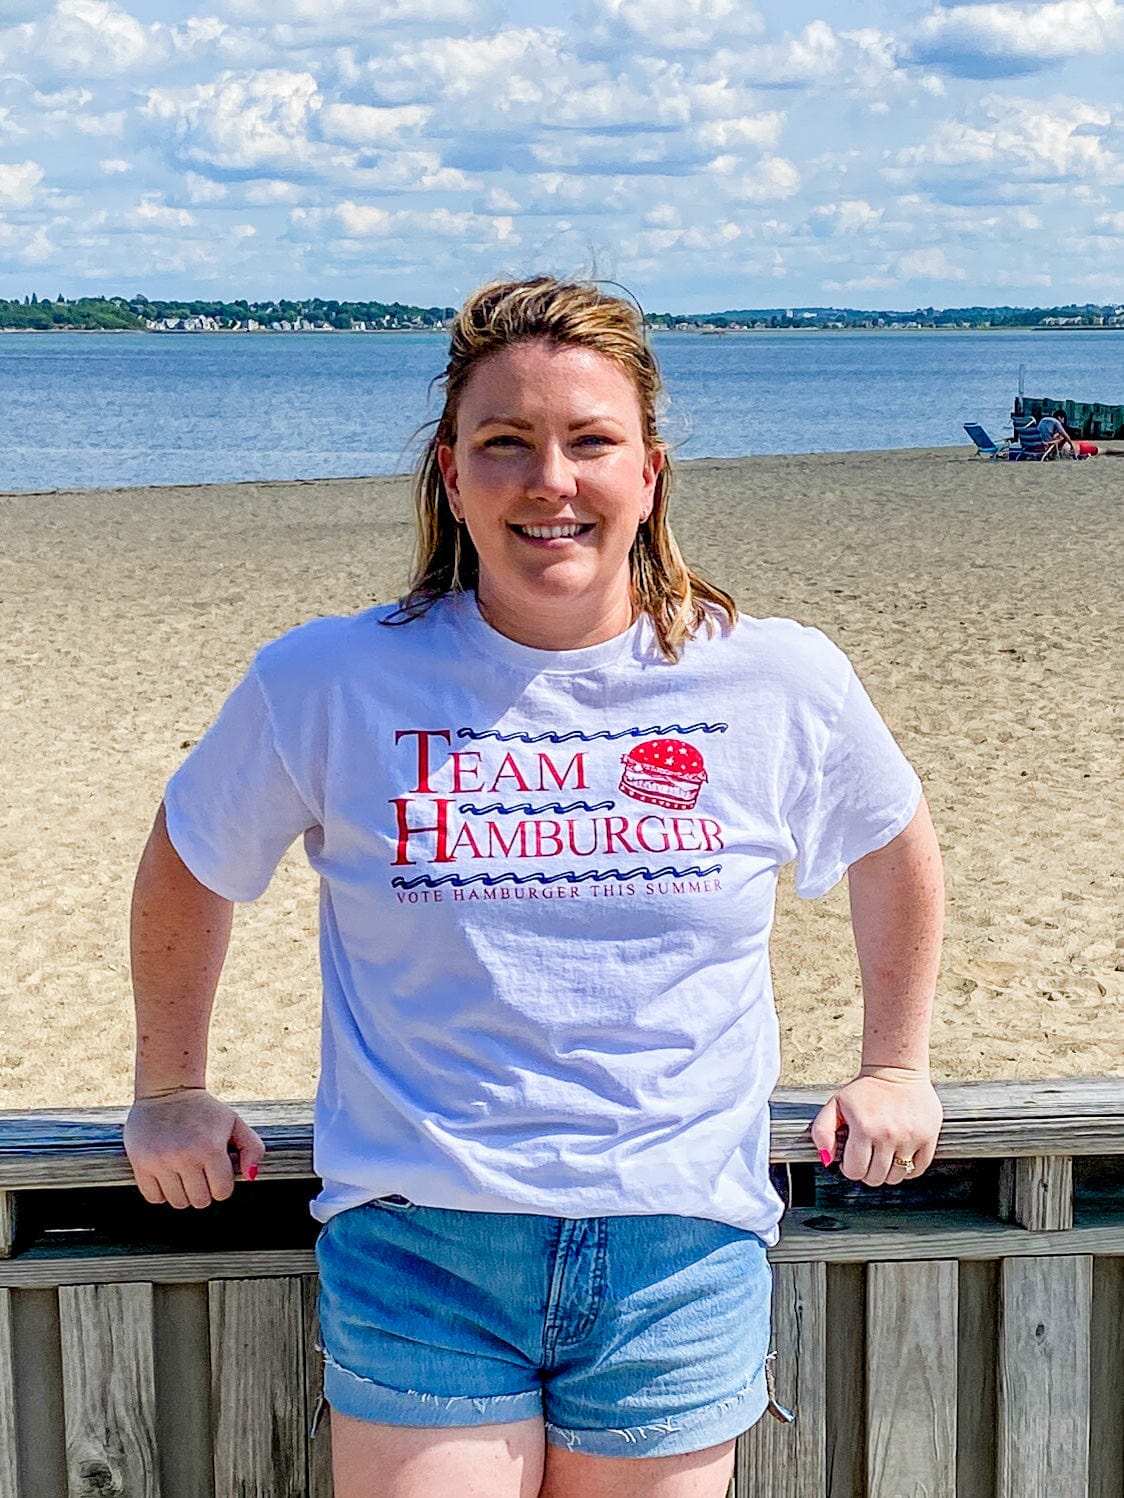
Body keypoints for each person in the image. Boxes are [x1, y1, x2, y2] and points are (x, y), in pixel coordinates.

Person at [124, 275, 944, 1498]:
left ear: (650, 472)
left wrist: (896, 1064)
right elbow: (192, 858)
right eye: (503, 443)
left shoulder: (775, 678)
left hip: (679, 1240)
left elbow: (892, 845)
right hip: (420, 1241)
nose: (548, 480)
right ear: (452, 477)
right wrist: (170, 1084)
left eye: (589, 441)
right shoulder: (331, 678)